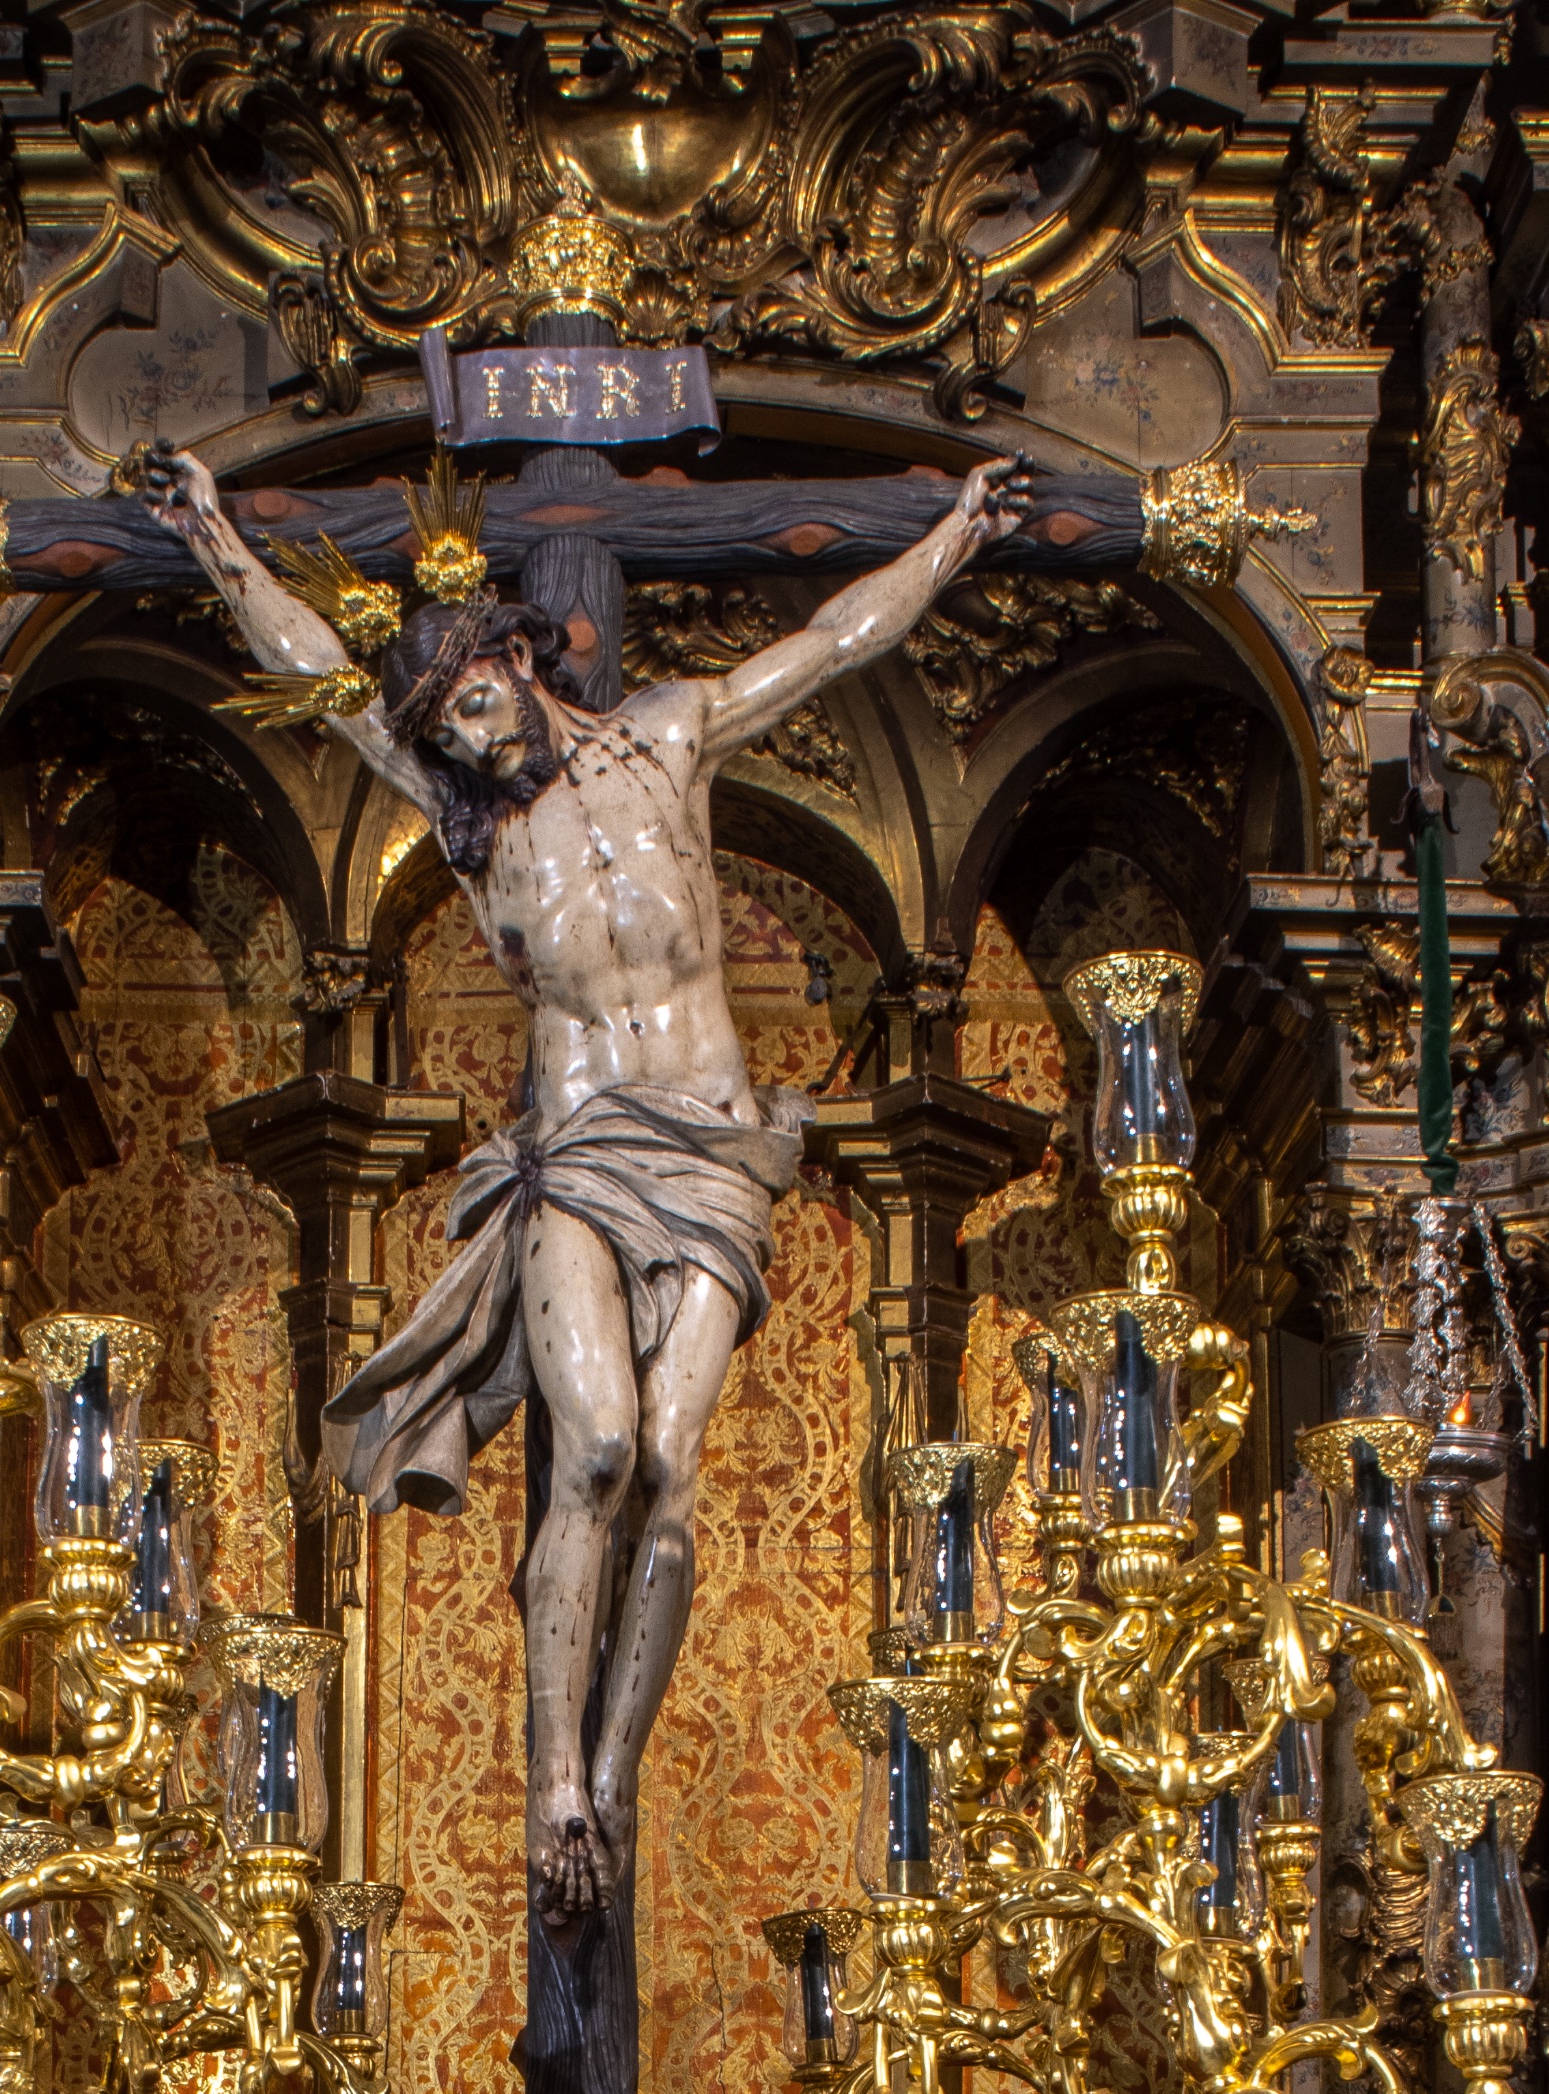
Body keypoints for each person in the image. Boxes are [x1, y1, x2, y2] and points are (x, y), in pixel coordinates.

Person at [143, 439, 1040, 1917]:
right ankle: (549, 1770)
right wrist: (213, 539)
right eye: (446, 727)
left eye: (480, 701)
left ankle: (606, 1785)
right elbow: (308, 657)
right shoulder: (465, 816)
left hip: (716, 1149)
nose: (476, 740)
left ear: (519, 655)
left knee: (673, 1476)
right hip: (574, 1152)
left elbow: (829, 644)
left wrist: (954, 532)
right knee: (603, 1450)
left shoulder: (674, 735)